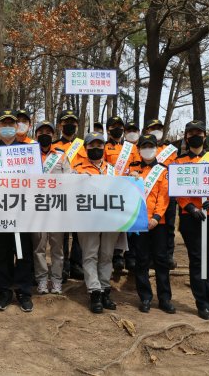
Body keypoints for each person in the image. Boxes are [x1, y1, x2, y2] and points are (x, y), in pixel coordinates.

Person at [0, 109, 34, 312]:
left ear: (17, 127)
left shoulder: (28, 150)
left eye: (11, 124)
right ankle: (3, 289)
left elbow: (36, 179)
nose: (7, 127)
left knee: (23, 252)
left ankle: (23, 290)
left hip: (22, 209)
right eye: (3, 123)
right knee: (1, 251)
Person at [176, 120, 209, 321]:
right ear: (186, 137)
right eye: (191, 133)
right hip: (191, 217)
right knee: (197, 260)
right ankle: (202, 304)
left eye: (199, 133)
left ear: (205, 136)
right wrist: (189, 207)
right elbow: (177, 190)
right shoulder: (179, 162)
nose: (195, 136)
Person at [71, 132, 119, 314]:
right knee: (90, 255)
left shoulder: (114, 170)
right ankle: (94, 292)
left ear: (105, 147)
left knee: (107, 255)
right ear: (86, 148)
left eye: (100, 145)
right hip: (87, 220)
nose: (96, 148)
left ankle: (106, 290)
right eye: (92, 145)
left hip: (110, 220)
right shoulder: (76, 170)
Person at [128, 134, 175, 314]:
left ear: (156, 148)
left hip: (158, 223)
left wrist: (156, 217)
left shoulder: (163, 171)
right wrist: (130, 178)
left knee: (161, 260)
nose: (148, 149)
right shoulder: (133, 170)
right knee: (141, 261)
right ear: (139, 149)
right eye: (144, 146)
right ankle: (145, 297)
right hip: (139, 223)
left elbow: (164, 197)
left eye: (151, 146)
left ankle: (164, 299)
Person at [32, 121, 70, 294]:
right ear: (36, 135)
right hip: (36, 207)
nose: (45, 134)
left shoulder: (61, 156)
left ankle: (56, 280)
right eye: (41, 132)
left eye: (48, 132)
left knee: (57, 247)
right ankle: (41, 279)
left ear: (53, 136)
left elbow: (70, 179)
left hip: (56, 208)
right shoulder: (28, 155)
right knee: (39, 247)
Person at [104, 116, 140, 272]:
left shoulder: (130, 148)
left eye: (120, 126)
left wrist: (134, 172)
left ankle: (129, 257)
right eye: (114, 126)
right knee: (112, 224)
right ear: (108, 130)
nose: (117, 129)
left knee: (129, 223)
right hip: (109, 190)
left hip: (128, 190)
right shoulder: (104, 147)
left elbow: (137, 166)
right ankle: (115, 256)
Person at [53, 110, 86, 282]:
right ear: (60, 125)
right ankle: (63, 266)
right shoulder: (54, 146)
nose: (70, 125)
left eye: (73, 122)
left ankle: (76, 264)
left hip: (80, 192)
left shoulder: (84, 145)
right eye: (66, 122)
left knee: (79, 231)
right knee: (63, 233)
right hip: (61, 193)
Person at [143, 118, 179, 270]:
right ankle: (149, 256)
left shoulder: (170, 150)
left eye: (159, 128)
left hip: (167, 191)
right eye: (153, 128)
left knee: (168, 226)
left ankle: (168, 255)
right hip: (150, 193)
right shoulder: (144, 149)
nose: (157, 130)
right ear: (147, 131)